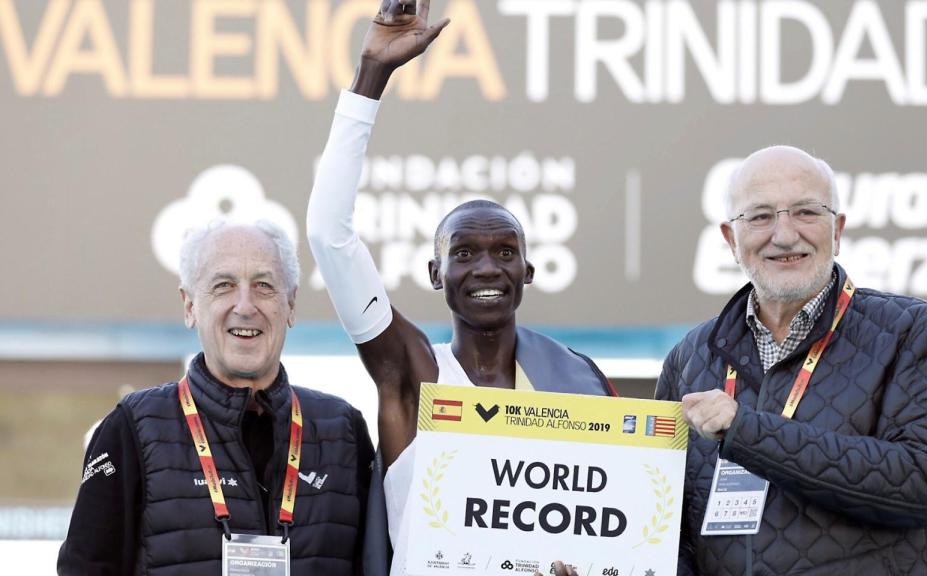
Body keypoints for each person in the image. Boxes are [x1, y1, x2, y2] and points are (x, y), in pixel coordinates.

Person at [306, 1, 613, 574]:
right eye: (464, 253)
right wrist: (371, 74)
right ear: (435, 274)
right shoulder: (414, 375)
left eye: (505, 252)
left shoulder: (579, 386)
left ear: (528, 272)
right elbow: (329, 235)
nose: (487, 268)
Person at [655, 145, 927, 575]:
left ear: (837, 230)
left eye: (805, 212)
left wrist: (746, 431)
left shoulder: (909, 331)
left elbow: (923, 482)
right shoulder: (688, 359)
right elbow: (666, 531)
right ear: (730, 239)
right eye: (760, 216)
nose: (784, 235)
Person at [58, 220, 374, 575]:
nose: (245, 306)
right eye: (224, 285)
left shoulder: (343, 431)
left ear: (290, 304)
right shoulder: (131, 427)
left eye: (264, 285)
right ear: (190, 306)